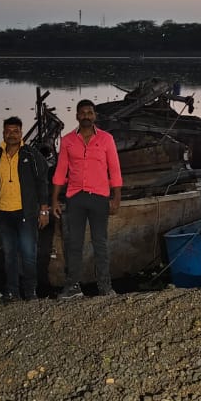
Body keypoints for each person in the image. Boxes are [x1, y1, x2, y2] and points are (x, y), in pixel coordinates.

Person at [51, 99, 122, 299]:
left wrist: (116, 198)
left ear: (95, 116)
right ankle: (73, 287)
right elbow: (60, 172)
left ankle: (105, 288)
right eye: (82, 113)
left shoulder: (107, 139)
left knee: (100, 243)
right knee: (74, 244)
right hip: (75, 198)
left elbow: (115, 170)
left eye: (90, 113)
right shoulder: (67, 141)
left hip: (99, 197)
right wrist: (55, 200)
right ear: (77, 116)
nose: (86, 116)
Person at [0, 117, 50, 301]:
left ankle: (30, 292)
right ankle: (12, 291)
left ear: (21, 133)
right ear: (3, 133)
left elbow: (42, 181)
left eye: (15, 131)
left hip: (26, 213)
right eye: (8, 131)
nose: (11, 134)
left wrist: (43, 209)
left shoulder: (31, 155)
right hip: (3, 213)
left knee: (29, 254)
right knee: (9, 255)